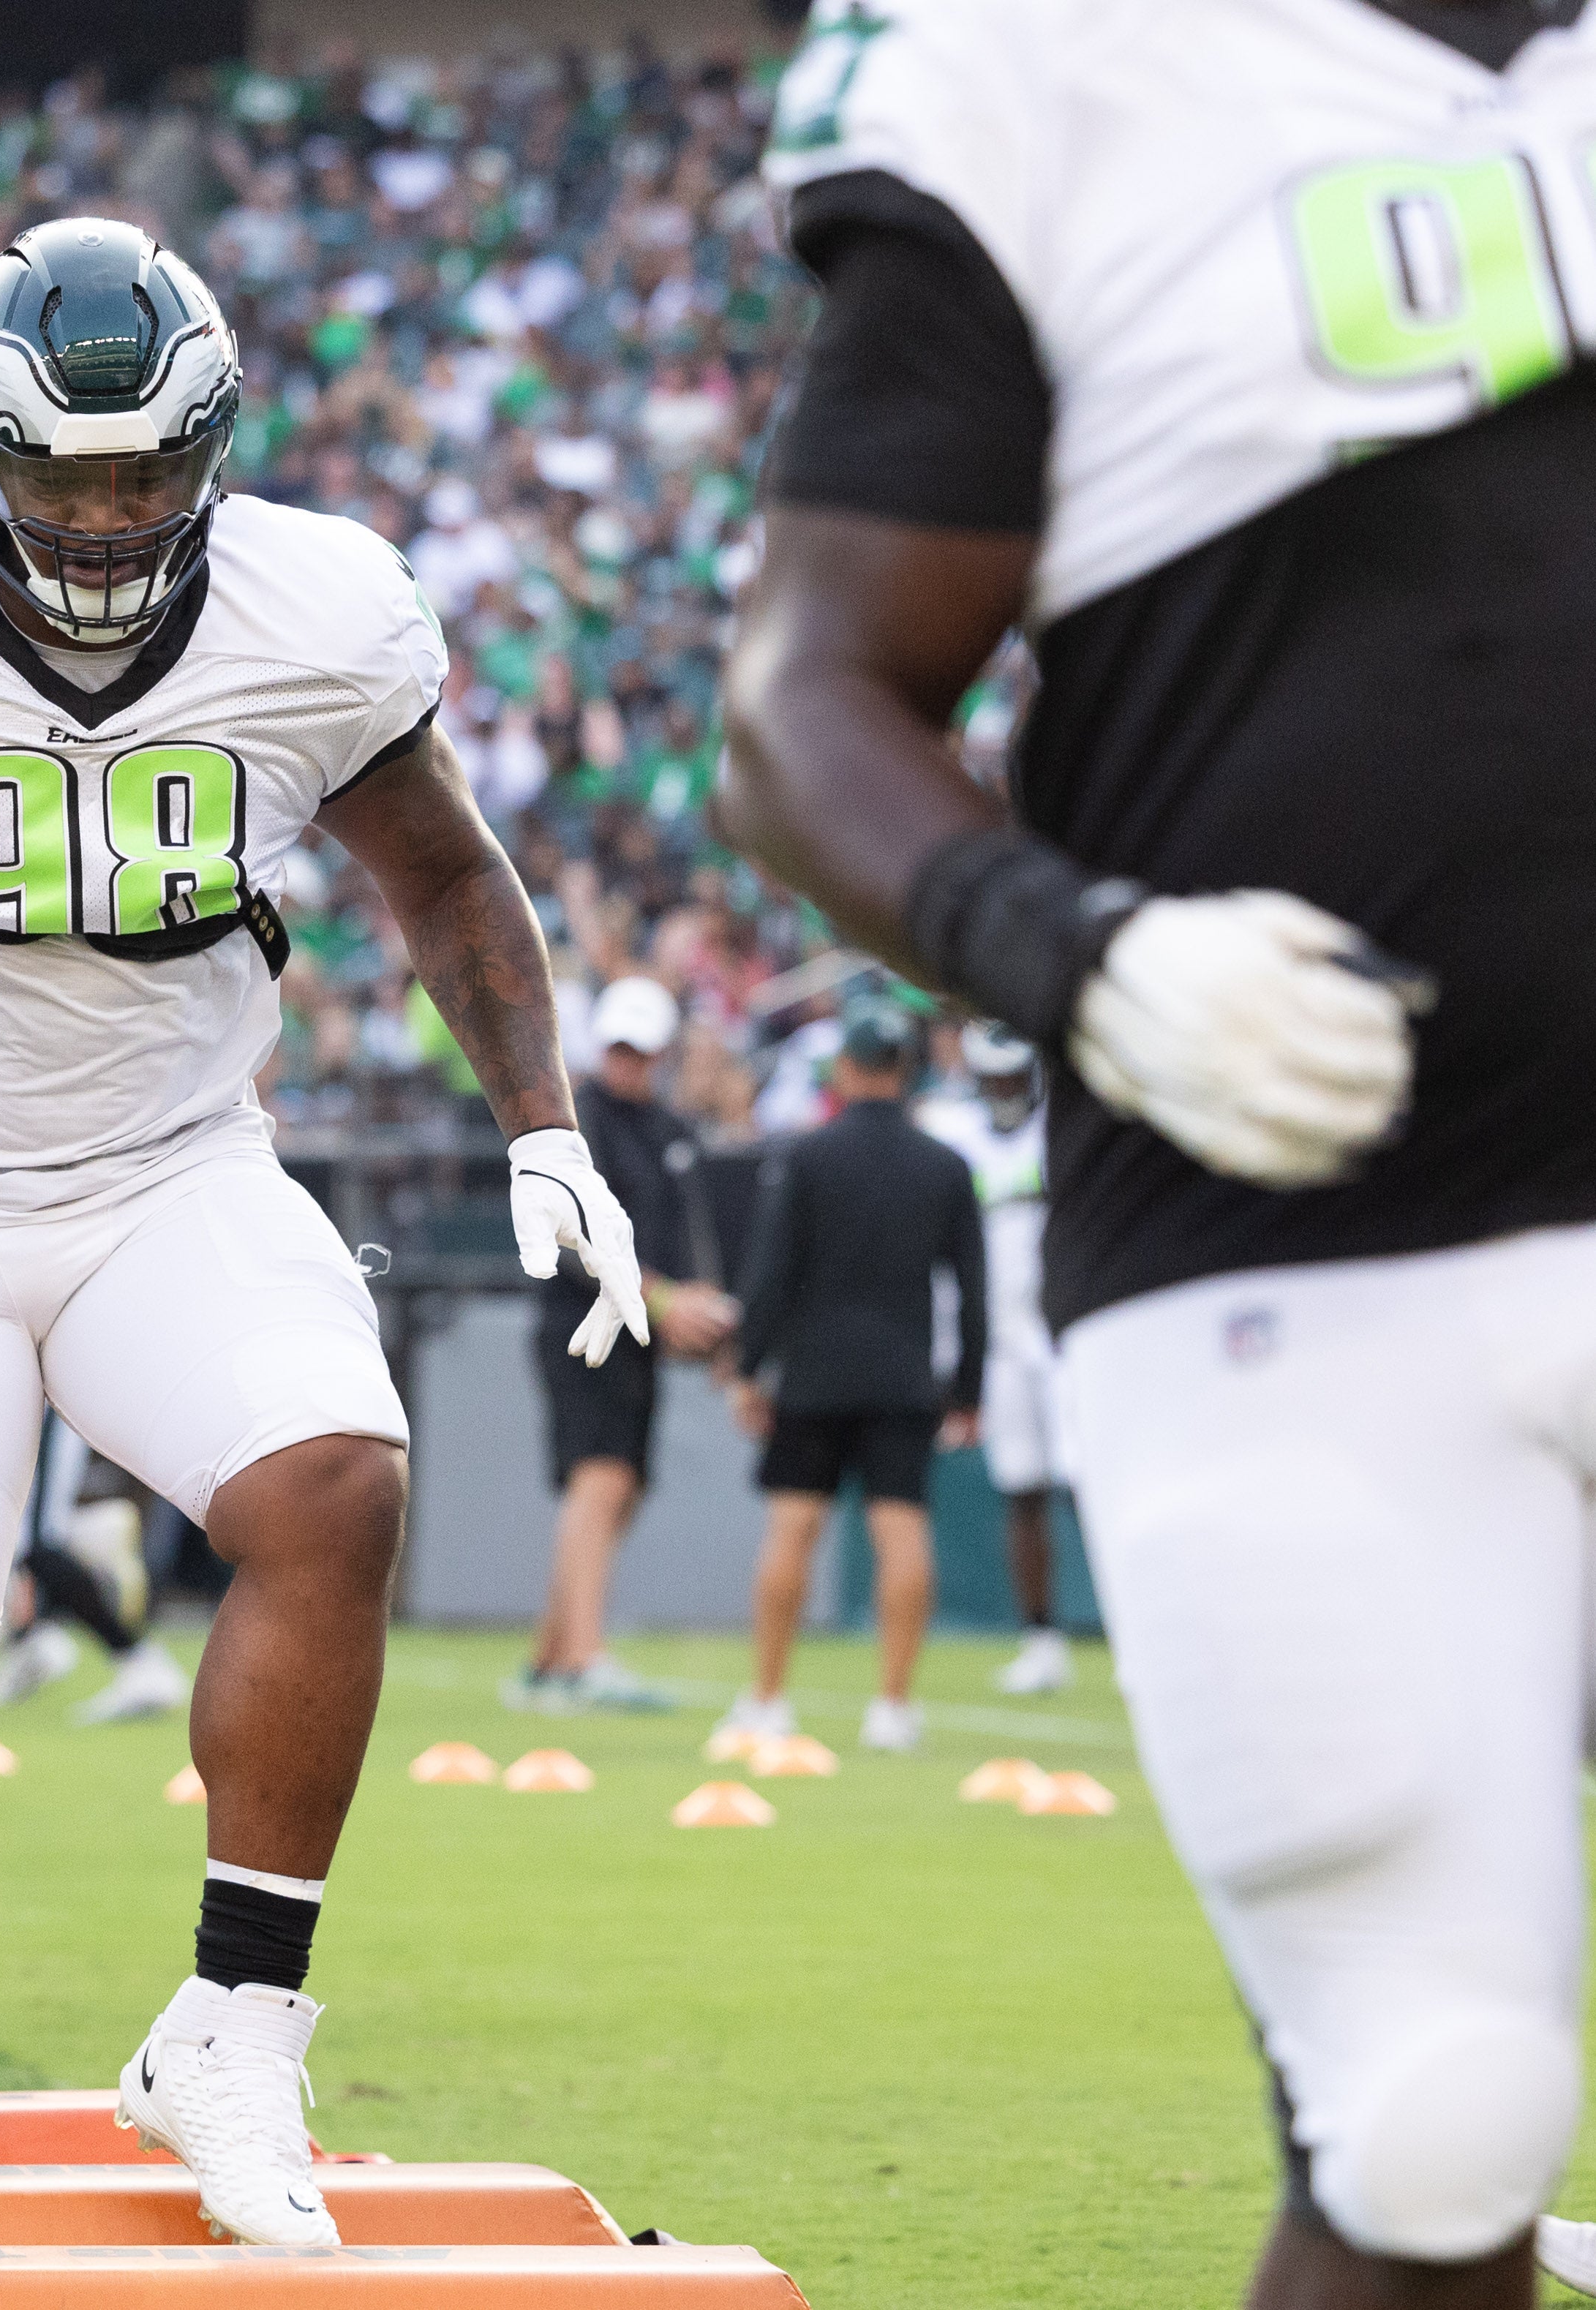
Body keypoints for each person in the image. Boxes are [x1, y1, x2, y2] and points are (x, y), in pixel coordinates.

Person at [0, 218, 645, 2238]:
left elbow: (447, 883)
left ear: (210, 446)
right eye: (61, 475)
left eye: (142, 472)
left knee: (335, 1483)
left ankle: (235, 2028)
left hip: (172, 1164)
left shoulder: (318, 606)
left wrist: (547, 1129)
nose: (103, 518)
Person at [720, 6, 1596, 2289]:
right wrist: (1072, 949)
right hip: (1296, 1256)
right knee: (1423, 2121)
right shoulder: (1055, 69)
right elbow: (807, 693)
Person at [716, 1003, 982, 1755]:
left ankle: (768, 1699)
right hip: (903, 1376)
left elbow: (770, 1273)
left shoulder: (807, 1156)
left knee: (793, 1527)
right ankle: (892, 1708)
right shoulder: (945, 1165)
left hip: (815, 1374)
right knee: (902, 1530)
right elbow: (973, 1288)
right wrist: (968, 1391)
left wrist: (747, 1367)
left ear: (847, 1068)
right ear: (907, 1070)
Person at [504, 975, 737, 1716]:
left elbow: (691, 1233)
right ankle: (580, 1658)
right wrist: (662, 1297)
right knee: (601, 1479)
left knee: (618, 1486)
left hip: (635, 1328)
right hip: (581, 1324)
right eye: (620, 1049)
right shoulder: (576, 1125)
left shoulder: (670, 1132)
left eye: (642, 1050)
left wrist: (697, 1306)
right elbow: (569, 1233)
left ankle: (551, 1657)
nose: (629, 1062)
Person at [918, 1019, 1072, 1696]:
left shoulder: (1059, 1134)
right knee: (1022, 1489)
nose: (1005, 1091)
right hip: (1001, 1341)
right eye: (995, 1078)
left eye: (1015, 1077)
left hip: (1065, 1329)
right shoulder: (954, 1139)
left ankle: (1132, 1633)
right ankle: (1040, 1638)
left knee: (1089, 1484)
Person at [0, 1410, 192, 1726]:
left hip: (42, 1405)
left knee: (38, 1543)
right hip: (10, 1410)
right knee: (15, 1539)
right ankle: (33, 1641)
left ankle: (140, 1661)